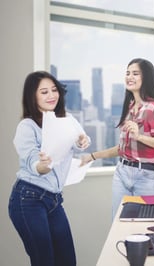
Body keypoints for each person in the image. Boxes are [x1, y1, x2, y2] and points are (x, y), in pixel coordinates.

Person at [8, 71, 91, 266]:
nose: (51, 95)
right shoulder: (27, 127)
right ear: (33, 97)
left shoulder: (67, 119)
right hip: (28, 199)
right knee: (44, 261)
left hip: (53, 200)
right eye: (44, 92)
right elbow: (34, 164)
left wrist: (82, 140)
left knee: (68, 261)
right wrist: (43, 165)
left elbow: (81, 140)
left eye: (54, 90)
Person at [81, 58, 154, 219]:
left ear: (146, 78)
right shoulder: (130, 108)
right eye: (128, 73)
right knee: (118, 224)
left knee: (145, 226)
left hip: (147, 176)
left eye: (135, 73)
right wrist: (92, 156)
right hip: (122, 172)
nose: (129, 77)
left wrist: (139, 136)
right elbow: (122, 149)